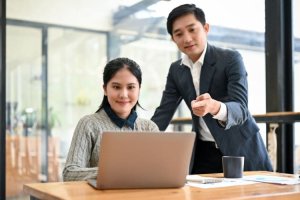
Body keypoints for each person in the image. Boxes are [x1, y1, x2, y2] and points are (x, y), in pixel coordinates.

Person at [151, 4, 273, 174]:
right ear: (173, 39)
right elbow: (163, 112)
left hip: (240, 149)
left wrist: (214, 107)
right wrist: (140, 139)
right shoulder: (176, 69)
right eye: (179, 34)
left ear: (206, 28)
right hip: (203, 152)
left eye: (192, 29)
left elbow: (240, 109)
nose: (187, 38)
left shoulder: (230, 59)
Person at [63, 57, 159, 181]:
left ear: (139, 89)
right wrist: (113, 171)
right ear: (105, 89)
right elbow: (69, 174)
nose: (123, 94)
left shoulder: (150, 128)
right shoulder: (88, 124)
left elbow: (158, 172)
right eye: (116, 87)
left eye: (131, 87)